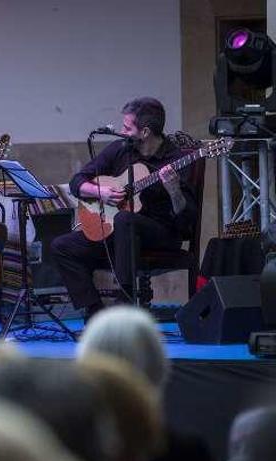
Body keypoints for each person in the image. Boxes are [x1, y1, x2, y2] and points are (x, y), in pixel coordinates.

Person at [50, 97, 199, 320]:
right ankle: (94, 313)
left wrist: (174, 189)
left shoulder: (178, 159)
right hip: (118, 235)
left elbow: (186, 217)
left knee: (125, 219)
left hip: (161, 233)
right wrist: (101, 192)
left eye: (127, 127)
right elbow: (77, 182)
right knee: (62, 246)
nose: (121, 131)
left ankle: (125, 301)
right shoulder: (120, 150)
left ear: (145, 132)